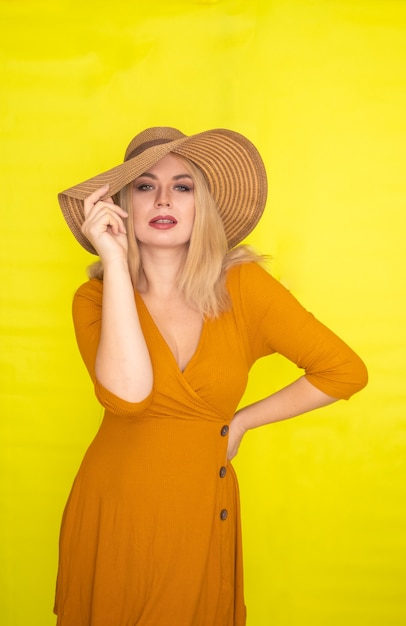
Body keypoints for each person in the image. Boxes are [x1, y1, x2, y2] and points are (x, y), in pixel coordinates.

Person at [55, 126, 368, 626]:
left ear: (203, 205)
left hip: (199, 509)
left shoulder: (243, 287)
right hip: (112, 509)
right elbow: (129, 398)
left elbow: (344, 371)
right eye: (143, 186)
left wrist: (240, 422)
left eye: (183, 186)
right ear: (120, 206)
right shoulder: (93, 299)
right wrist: (114, 264)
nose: (163, 199)